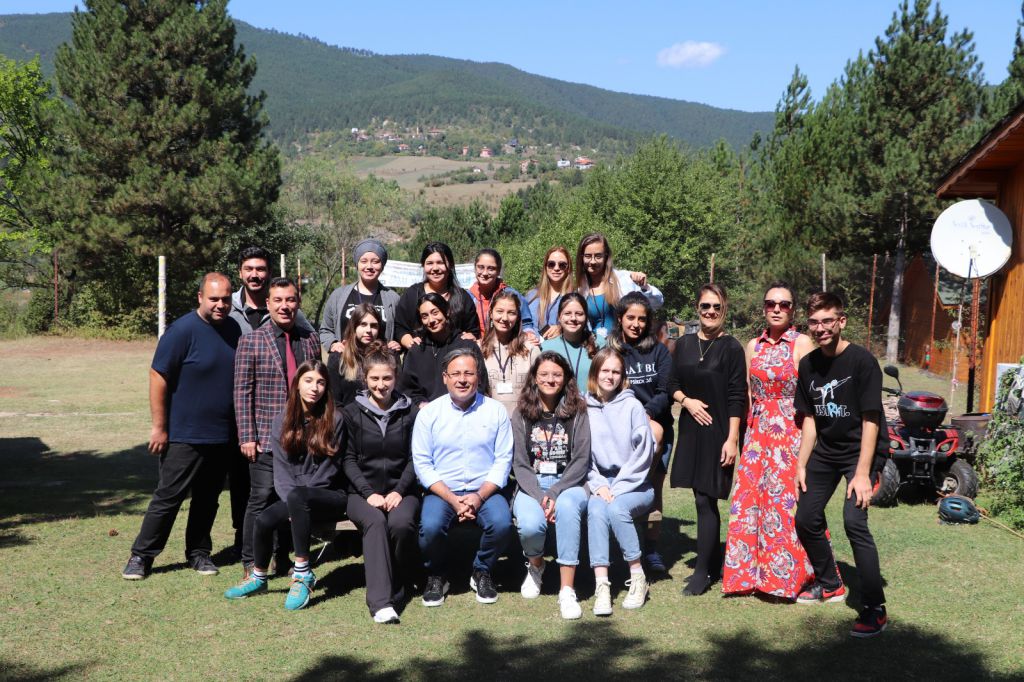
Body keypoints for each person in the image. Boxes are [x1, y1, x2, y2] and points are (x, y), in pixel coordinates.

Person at [122, 273, 242, 580]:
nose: (220, 305)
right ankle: (142, 556)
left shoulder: (233, 328)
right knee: (169, 497)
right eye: (214, 299)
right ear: (200, 297)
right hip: (183, 435)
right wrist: (159, 428)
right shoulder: (181, 331)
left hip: (221, 435)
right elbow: (157, 376)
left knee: (208, 499)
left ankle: (199, 553)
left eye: (226, 299)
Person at [794, 292, 889, 638]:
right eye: (815, 323)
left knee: (854, 521)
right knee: (805, 517)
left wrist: (863, 473)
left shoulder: (862, 362)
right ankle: (830, 582)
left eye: (827, 321)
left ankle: (874, 608)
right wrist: (802, 463)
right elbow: (810, 420)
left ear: (841, 321)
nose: (821, 329)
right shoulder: (808, 365)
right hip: (827, 451)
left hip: (860, 450)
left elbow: (871, 419)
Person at [224, 360, 346, 611]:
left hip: (329, 496)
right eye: (308, 381)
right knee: (264, 519)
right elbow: (281, 470)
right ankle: (258, 577)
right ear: (297, 384)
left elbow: (330, 470)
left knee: (300, 497)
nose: (315, 388)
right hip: (295, 498)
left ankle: (302, 573)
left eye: (321, 382)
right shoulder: (282, 420)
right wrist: (294, 502)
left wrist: (299, 500)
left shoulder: (336, 419)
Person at [723, 281, 817, 599]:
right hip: (757, 435)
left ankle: (788, 578)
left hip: (790, 435)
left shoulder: (803, 344)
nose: (777, 309)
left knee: (784, 505)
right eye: (771, 303)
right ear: (764, 308)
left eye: (784, 304)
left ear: (794, 310)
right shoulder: (753, 346)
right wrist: (743, 437)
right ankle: (748, 577)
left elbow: (814, 397)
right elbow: (749, 394)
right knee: (748, 505)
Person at [227, 246, 313, 558]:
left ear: (298, 302)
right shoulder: (250, 341)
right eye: (278, 300)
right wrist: (246, 436)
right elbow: (242, 392)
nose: (285, 306)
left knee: (290, 498)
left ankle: (285, 557)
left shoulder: (309, 339)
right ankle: (251, 560)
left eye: (291, 300)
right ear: (268, 304)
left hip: (301, 435)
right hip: (263, 438)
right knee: (260, 498)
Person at [412, 348, 514, 607]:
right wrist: (453, 500)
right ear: (445, 377)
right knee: (430, 527)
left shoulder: (495, 411)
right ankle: (437, 574)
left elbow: (503, 460)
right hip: (442, 492)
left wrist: (479, 497)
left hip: (485, 490)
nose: (462, 379)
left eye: (468, 373)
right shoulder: (429, 414)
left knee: (501, 523)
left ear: (478, 376)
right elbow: (423, 464)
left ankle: (482, 570)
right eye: (455, 373)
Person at [668, 283, 746, 596]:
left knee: (706, 496)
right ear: (697, 309)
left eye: (716, 307)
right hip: (690, 428)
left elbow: (737, 395)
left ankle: (704, 571)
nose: (710, 312)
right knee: (698, 495)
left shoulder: (732, 348)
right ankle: (710, 563)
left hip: (718, 431)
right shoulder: (685, 344)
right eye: (705, 307)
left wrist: (732, 439)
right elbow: (671, 382)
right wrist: (686, 401)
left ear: (724, 309)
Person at [342, 346, 420, 624]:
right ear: (365, 379)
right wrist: (369, 493)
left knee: (400, 524)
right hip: (362, 494)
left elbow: (416, 459)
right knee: (375, 521)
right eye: (374, 379)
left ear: (395, 377)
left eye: (386, 378)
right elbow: (347, 460)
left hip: (403, 490)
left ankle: (400, 582)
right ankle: (381, 603)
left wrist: (399, 491)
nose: (381, 385)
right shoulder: (351, 413)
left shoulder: (409, 412)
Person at [511, 352, 590, 619]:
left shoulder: (578, 410)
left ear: (566, 377)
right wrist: (538, 494)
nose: (550, 379)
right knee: (531, 525)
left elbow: (581, 459)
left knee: (567, 509)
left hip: (570, 482)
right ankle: (536, 565)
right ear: (534, 377)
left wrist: (555, 492)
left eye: (556, 374)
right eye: (544, 374)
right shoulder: (522, 413)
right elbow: (520, 463)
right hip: (532, 483)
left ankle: (567, 589)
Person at [586, 347, 656, 616]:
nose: (610, 376)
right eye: (605, 370)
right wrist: (598, 483)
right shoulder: (584, 406)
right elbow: (582, 455)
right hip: (601, 481)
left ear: (622, 376)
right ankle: (601, 585)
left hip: (635, 484)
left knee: (616, 508)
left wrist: (617, 487)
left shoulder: (633, 406)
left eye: (616, 371)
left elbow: (643, 455)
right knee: (595, 509)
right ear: (595, 373)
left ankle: (637, 576)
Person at [607, 292, 673, 573]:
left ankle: (652, 549)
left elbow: (665, 391)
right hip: (622, 431)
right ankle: (621, 546)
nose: (635, 324)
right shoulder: (612, 352)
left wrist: (646, 414)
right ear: (620, 318)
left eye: (642, 319)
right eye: (630, 317)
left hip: (655, 425)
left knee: (652, 490)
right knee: (622, 491)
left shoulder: (658, 351)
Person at [398, 293, 488, 407]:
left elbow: (480, 383)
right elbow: (407, 388)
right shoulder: (417, 350)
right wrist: (421, 404)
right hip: (426, 415)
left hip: (464, 413)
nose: (431, 320)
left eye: (435, 313)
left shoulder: (467, 346)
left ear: (447, 311)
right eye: (425, 316)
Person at [319, 238, 402, 352]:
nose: (369, 266)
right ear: (356, 264)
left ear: (382, 266)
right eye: (363, 261)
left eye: (375, 261)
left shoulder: (393, 299)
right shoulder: (338, 296)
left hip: (380, 366)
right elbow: (325, 330)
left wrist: (398, 343)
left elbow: (401, 331)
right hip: (346, 365)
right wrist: (333, 344)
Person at [575, 233, 663, 339]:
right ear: (581, 257)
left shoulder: (624, 279)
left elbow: (658, 302)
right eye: (588, 256)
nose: (593, 261)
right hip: (595, 349)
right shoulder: (580, 289)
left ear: (606, 256)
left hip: (623, 347)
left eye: (598, 256)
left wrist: (645, 287)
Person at [394, 242, 478, 349]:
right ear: (423, 265)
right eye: (429, 263)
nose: (435, 268)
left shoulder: (463, 297)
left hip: (454, 359)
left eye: (440, 262)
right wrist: (410, 343)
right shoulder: (412, 294)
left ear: (450, 265)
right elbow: (400, 327)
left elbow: (473, 330)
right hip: (420, 358)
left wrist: (470, 338)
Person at [480, 289, 540, 415]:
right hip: (489, 419)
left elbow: (538, 389)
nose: (505, 318)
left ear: (518, 316)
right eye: (499, 311)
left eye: (511, 313)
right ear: (491, 313)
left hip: (524, 419)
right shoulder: (479, 349)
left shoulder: (530, 348)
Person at [467, 248, 537, 339]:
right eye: (480, 267)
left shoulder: (511, 295)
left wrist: (529, 334)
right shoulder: (467, 297)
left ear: (499, 271)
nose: (484, 273)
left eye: (491, 269)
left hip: (508, 347)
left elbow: (526, 323)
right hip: (477, 348)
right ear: (475, 268)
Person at [540, 293, 603, 392]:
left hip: (592, 405)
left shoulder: (599, 343)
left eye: (579, 314)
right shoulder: (546, 347)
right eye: (567, 313)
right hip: (560, 406)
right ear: (559, 317)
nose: (573, 318)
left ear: (586, 317)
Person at [326, 304, 386, 408]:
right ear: (354, 326)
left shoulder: (386, 357)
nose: (368, 330)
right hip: (348, 419)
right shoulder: (338, 358)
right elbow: (333, 401)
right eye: (363, 324)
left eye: (373, 325)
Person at [525, 246, 574, 339]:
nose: (556, 268)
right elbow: (522, 324)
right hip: (533, 350)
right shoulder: (531, 296)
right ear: (545, 267)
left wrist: (562, 329)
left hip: (560, 350)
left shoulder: (574, 298)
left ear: (568, 268)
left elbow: (584, 327)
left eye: (562, 265)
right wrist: (527, 333)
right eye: (551, 264)